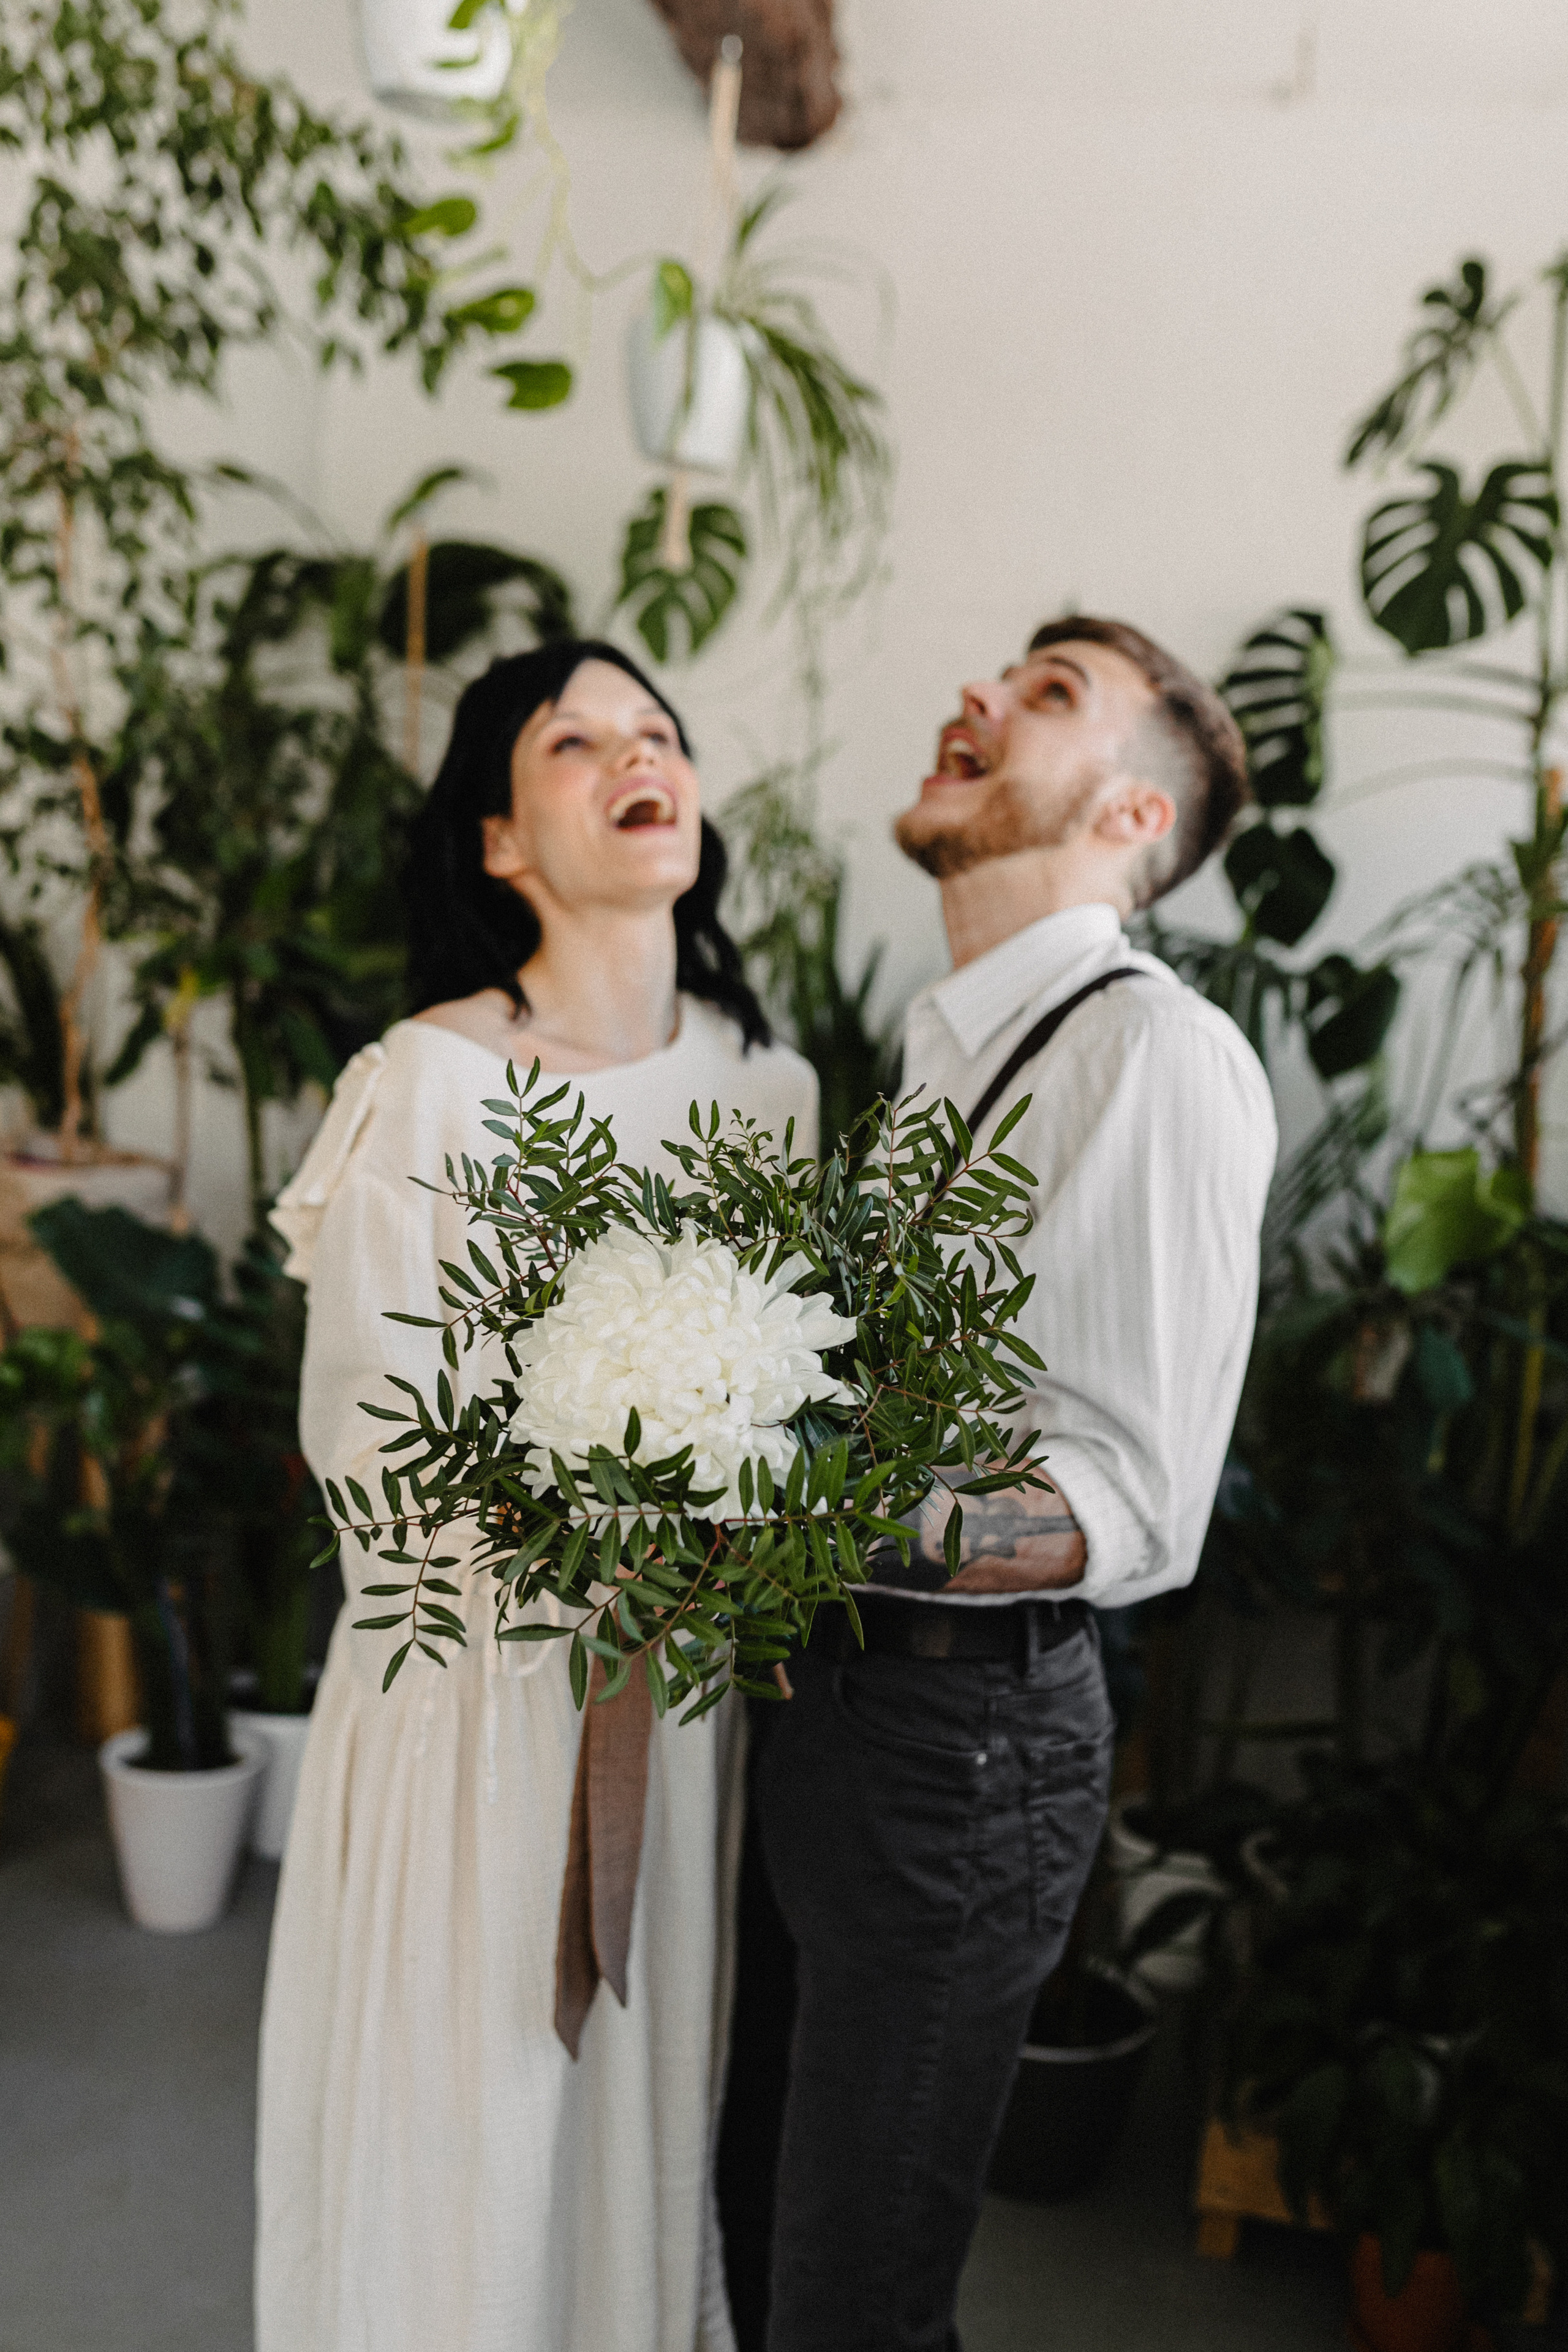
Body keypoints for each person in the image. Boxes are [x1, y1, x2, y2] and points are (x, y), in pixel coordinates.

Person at [723, 616, 1278, 2352]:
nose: (975, 692)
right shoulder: (946, 1054)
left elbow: (1132, 1503)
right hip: (830, 1705)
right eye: (1000, 672)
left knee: (855, 2301)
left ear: (1128, 817)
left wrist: (753, 1496)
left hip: (962, 1765)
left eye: (1048, 696)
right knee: (764, 2226)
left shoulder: (1153, 1062)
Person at [255, 641, 818, 2352]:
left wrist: (741, 1510)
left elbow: (803, 1392)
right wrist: (593, 1507)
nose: (635, 756)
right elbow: (367, 1437)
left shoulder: (766, 1087)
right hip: (471, 1710)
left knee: (638, 2134)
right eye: (575, 742)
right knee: (467, 2142)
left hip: (678, 1707)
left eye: (657, 732)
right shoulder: (427, 1085)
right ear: (503, 841)